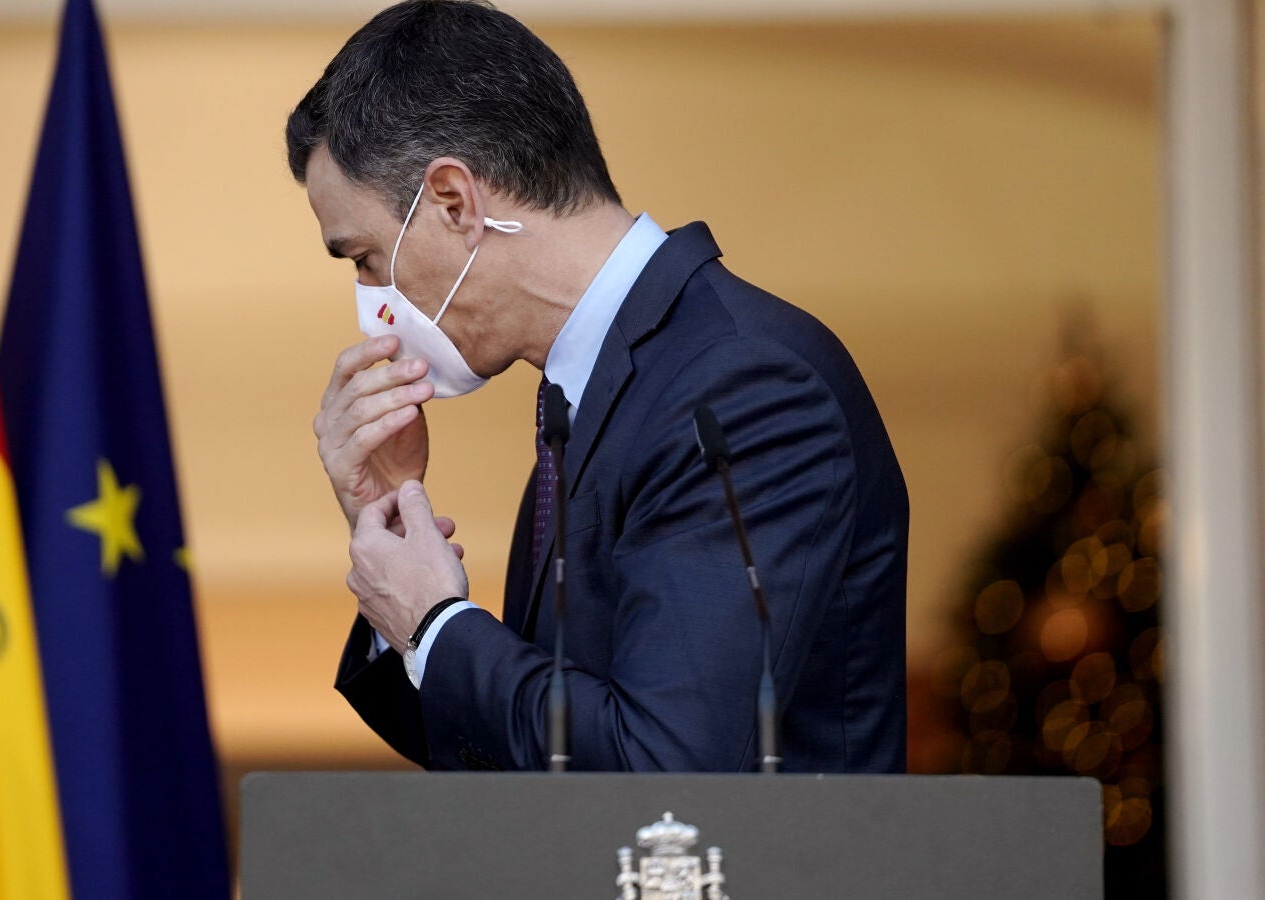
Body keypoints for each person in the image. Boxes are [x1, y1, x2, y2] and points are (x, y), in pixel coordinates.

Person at [287, 0, 908, 772]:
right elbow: (531, 770)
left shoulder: (739, 385)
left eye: (365, 257)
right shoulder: (586, 399)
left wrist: (436, 624)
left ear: (453, 201)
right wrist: (391, 524)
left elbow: (663, 772)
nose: (371, 300)